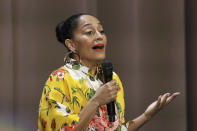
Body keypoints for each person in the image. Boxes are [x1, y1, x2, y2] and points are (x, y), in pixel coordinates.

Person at [38, 13, 180, 131]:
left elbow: (115, 128)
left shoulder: (111, 77)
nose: (99, 36)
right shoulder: (59, 79)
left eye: (101, 31)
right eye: (89, 32)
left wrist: (147, 115)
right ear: (71, 44)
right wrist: (96, 101)